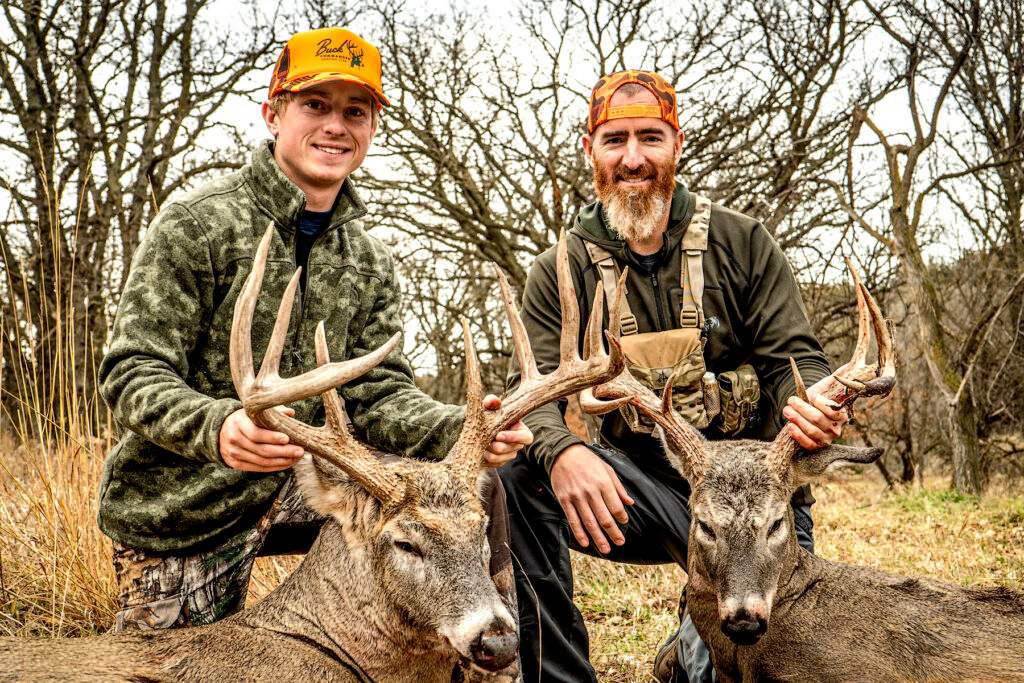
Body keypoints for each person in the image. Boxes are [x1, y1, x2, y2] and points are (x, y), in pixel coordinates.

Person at [98, 27, 531, 637]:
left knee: (471, 495)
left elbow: (378, 392)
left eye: (355, 111)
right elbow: (132, 372)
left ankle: (491, 659)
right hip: (188, 503)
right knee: (173, 669)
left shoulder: (368, 258)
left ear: (371, 128)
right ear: (274, 113)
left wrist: (459, 429)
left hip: (318, 488)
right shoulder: (197, 224)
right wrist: (218, 427)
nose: (336, 125)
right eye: (315, 105)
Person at [498, 70, 847, 682]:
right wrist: (560, 453)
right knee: (515, 476)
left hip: (753, 498)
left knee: (751, 662)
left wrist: (809, 403)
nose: (633, 158)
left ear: (676, 144)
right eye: (615, 140)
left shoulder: (743, 243)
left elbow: (796, 359)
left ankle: (689, 650)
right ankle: (562, 678)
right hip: (639, 490)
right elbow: (537, 393)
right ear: (590, 151)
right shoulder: (560, 267)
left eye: (650, 138)